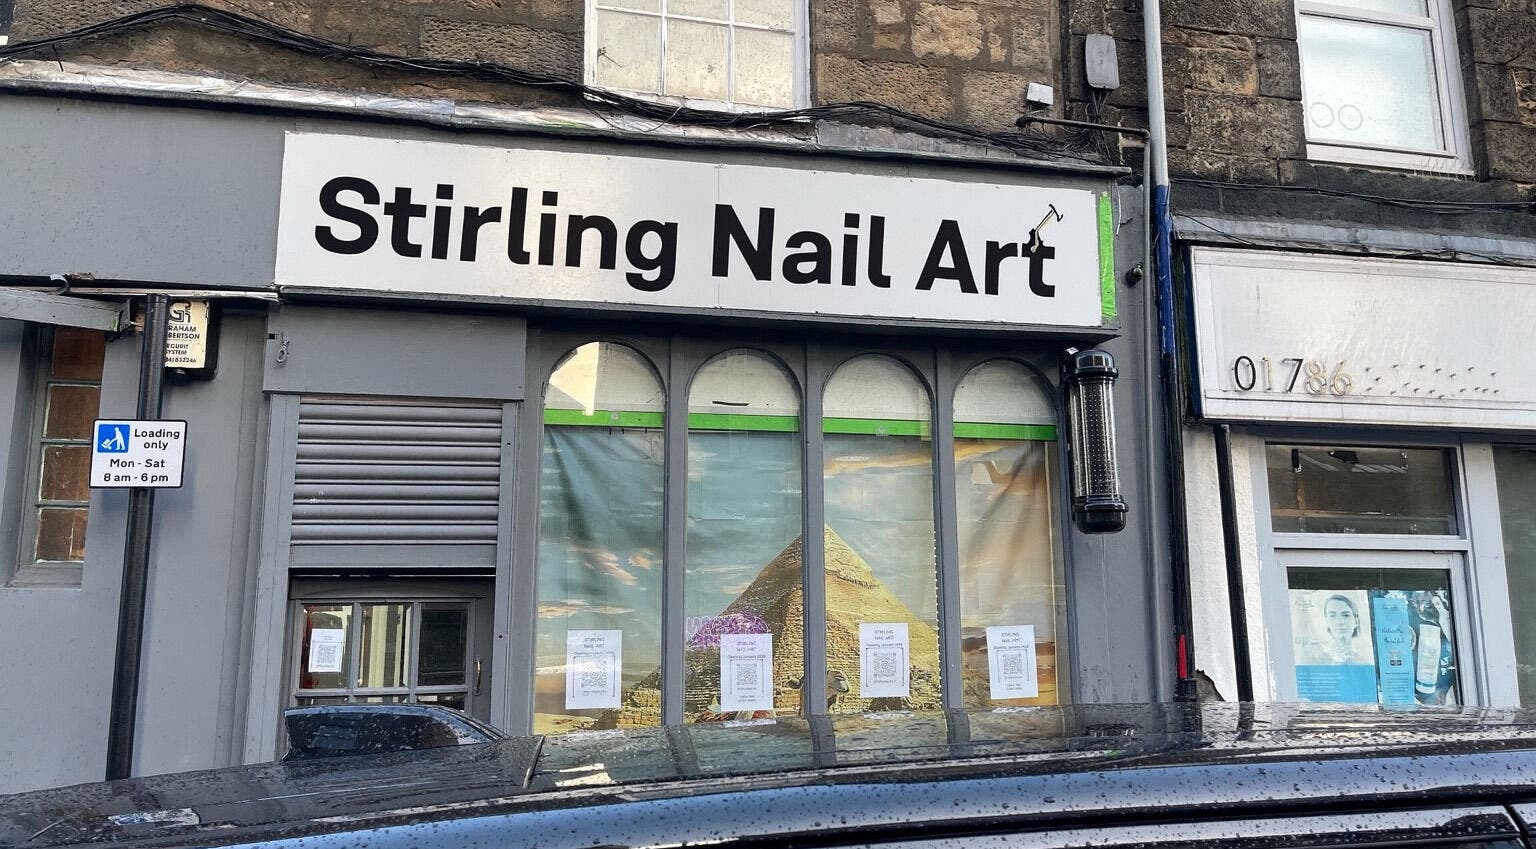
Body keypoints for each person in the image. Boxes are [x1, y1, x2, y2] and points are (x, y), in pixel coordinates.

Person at [1320, 594, 1366, 664]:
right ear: (1326, 621)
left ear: (1356, 621)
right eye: (1332, 616)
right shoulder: (1318, 660)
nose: (1339, 622)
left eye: (1346, 615)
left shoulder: (1364, 662)